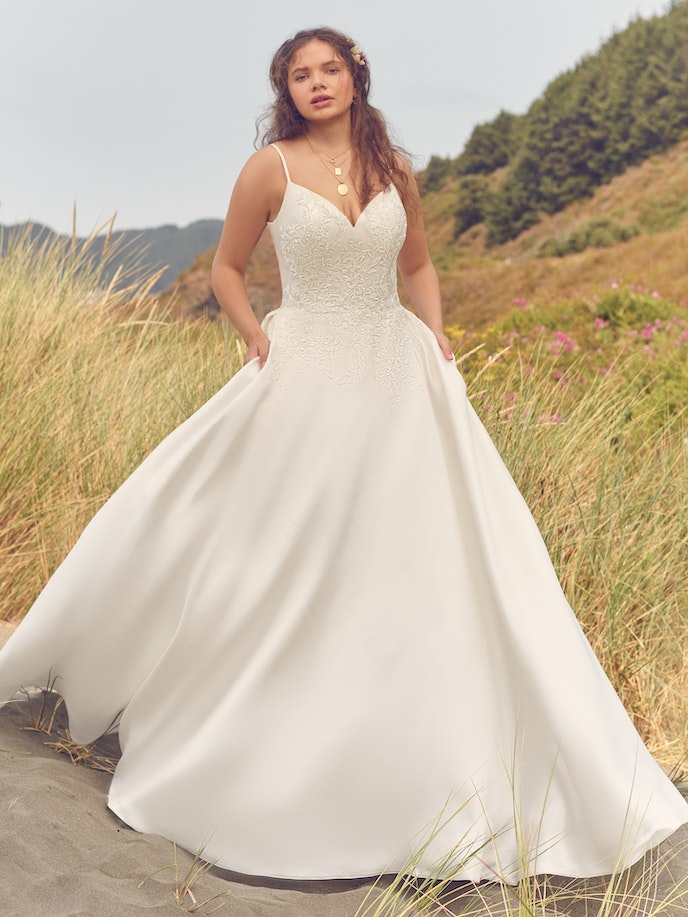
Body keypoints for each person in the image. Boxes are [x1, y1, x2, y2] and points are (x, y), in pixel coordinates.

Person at [0, 26, 686, 885]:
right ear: (285, 90)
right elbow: (224, 266)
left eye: (329, 69)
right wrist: (253, 333)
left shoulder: (396, 168)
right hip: (306, 368)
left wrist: (436, 336)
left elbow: (422, 265)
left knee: (419, 559)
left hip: (398, 374)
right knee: (285, 549)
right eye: (300, 75)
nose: (317, 84)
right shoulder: (271, 169)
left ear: (355, 77)